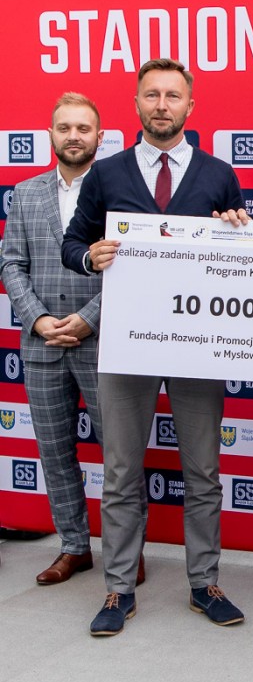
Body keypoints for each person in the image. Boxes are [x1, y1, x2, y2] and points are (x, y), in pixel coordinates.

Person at [61, 58, 250, 637]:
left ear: (191, 105)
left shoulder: (219, 174)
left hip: (198, 345)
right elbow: (73, 242)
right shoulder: (106, 173)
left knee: (203, 472)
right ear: (136, 104)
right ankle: (119, 589)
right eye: (152, 95)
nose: (162, 105)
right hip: (127, 343)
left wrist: (240, 231)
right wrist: (89, 256)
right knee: (121, 472)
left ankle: (204, 583)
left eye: (172, 95)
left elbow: (243, 255)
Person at [1, 93, 147, 588]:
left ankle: (127, 552)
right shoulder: (26, 193)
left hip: (105, 343)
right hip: (42, 345)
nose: (73, 136)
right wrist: (39, 319)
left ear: (100, 137)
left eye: (83, 128)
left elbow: (135, 268)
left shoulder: (120, 191)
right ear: (50, 134)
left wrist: (87, 319)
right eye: (64, 127)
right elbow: (11, 264)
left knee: (120, 456)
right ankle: (73, 547)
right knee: (54, 451)